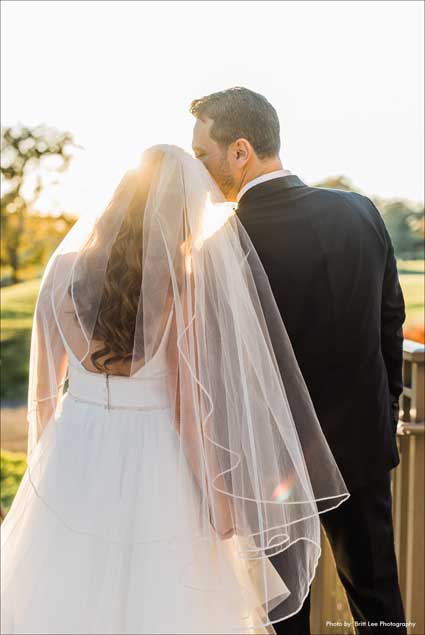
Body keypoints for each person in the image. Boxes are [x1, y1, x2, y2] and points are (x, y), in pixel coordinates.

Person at [0, 145, 349, 634]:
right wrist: (219, 504)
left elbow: (41, 392)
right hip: (154, 454)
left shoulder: (62, 273)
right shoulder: (178, 285)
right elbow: (189, 412)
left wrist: (44, 466)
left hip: (74, 449)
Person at [191, 87, 407, 635]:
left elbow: (215, 360)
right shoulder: (359, 211)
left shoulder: (224, 241)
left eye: (204, 157)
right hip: (361, 443)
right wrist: (381, 412)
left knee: (283, 615)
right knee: (378, 599)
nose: (200, 171)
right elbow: (390, 323)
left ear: (240, 151)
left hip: (273, 462)